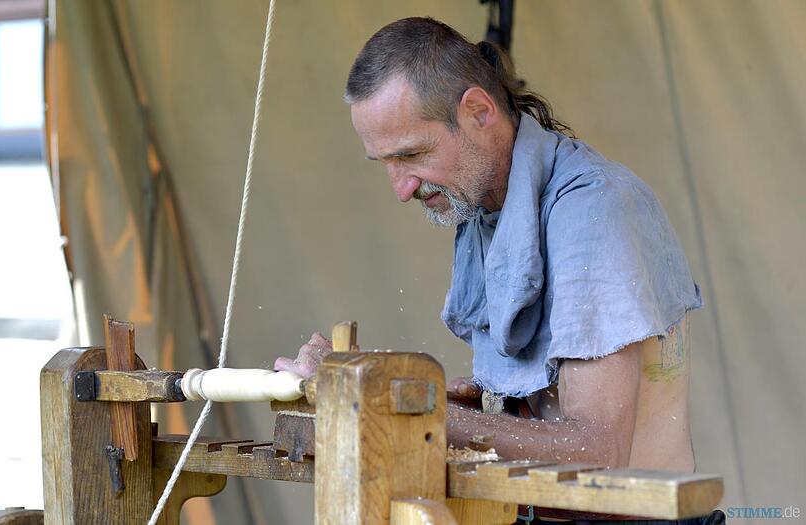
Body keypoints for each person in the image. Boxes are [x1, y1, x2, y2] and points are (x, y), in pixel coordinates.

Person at [275, 18, 723, 524]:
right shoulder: (484, 205)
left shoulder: (593, 209)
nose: (400, 188)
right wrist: (395, 388)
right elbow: (542, 404)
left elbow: (595, 453)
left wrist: (398, 409)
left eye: (412, 155)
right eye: (385, 162)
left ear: (478, 111)